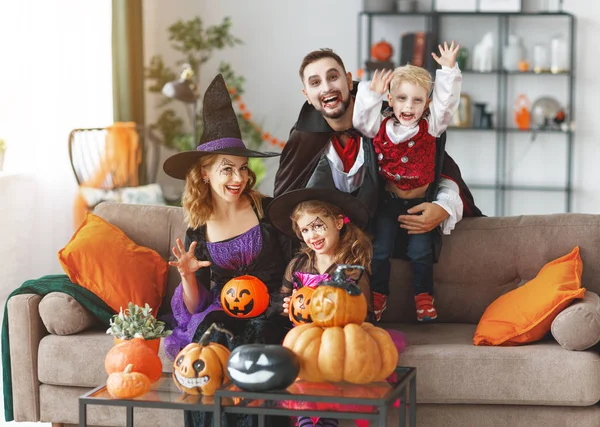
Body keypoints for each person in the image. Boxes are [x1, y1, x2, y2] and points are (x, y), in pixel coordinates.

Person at [274, 48, 483, 320]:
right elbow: (288, 200)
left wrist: (442, 207)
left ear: (349, 81)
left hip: (385, 233)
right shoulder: (304, 137)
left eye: (333, 77)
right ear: (307, 94)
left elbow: (440, 166)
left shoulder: (393, 119)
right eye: (315, 82)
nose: (326, 87)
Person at [163, 74, 293, 427]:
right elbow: (195, 305)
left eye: (241, 169)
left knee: (256, 348)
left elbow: (297, 262)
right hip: (224, 312)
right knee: (207, 343)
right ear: (204, 173)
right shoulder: (198, 229)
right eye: (226, 169)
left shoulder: (267, 210)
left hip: (273, 312)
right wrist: (188, 276)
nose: (237, 178)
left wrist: (289, 297)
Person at [352, 41, 463, 322]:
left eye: (417, 100)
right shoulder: (379, 127)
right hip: (388, 205)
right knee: (380, 251)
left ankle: (423, 297)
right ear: (390, 100)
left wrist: (448, 70)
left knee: (420, 253)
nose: (408, 106)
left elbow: (447, 102)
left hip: (419, 205)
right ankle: (378, 295)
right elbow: (362, 122)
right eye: (401, 98)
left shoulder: (432, 126)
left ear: (427, 103)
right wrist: (371, 94)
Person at [268, 188, 372, 427]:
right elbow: (282, 304)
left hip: (338, 338)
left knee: (326, 360)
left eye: (317, 226)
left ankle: (323, 420)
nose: (311, 235)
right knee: (301, 354)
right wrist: (286, 306)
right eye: (305, 230)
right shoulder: (299, 264)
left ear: (337, 222)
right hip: (303, 336)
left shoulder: (351, 268)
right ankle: (306, 419)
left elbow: (363, 314)